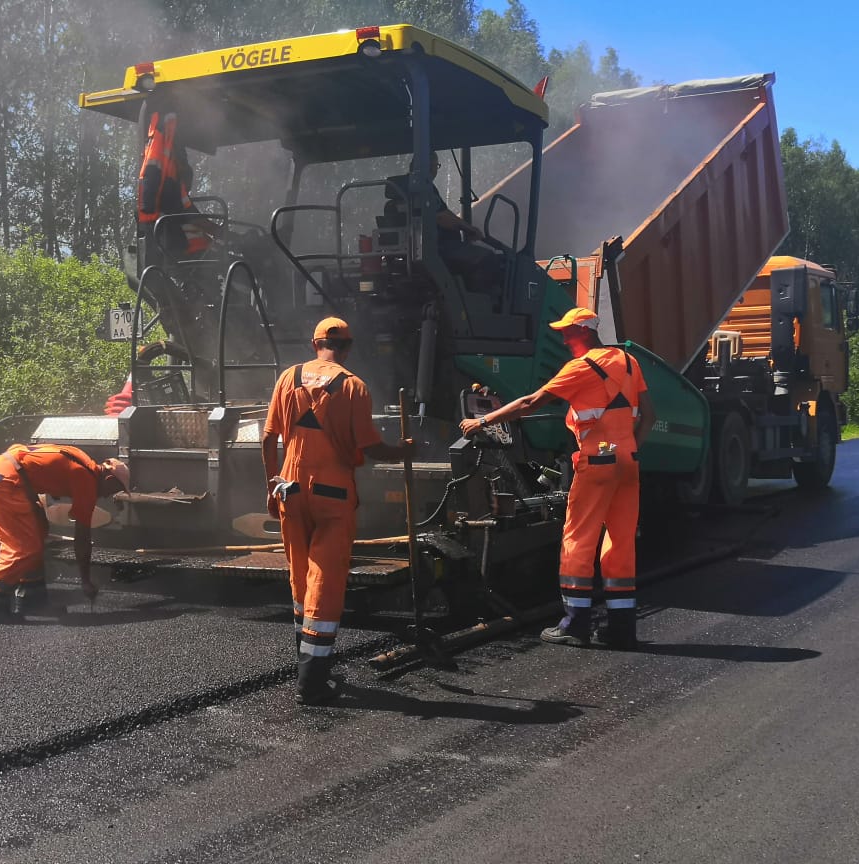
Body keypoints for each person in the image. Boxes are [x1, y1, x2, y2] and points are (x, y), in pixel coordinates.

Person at [459, 307, 656, 649]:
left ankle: (575, 623)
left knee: (578, 538)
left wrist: (483, 421)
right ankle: (622, 628)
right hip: (628, 460)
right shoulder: (628, 362)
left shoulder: (580, 368)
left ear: (583, 331)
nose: (562, 338)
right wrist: (627, 449)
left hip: (597, 461)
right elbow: (649, 416)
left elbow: (532, 402)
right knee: (620, 541)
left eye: (567, 331)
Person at [262, 317, 412, 705]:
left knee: (299, 577)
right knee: (325, 579)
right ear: (347, 347)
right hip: (332, 493)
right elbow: (372, 447)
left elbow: (268, 437)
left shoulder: (288, 377)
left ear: (315, 344)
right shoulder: (353, 387)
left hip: (289, 488)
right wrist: (404, 451)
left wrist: (271, 483)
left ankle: (305, 659)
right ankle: (311, 681)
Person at [0, 444, 129, 622]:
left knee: (39, 531)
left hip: (3, 472)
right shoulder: (86, 479)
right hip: (7, 481)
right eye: (113, 490)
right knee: (24, 548)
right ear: (109, 478)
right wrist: (86, 581)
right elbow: (82, 538)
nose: (108, 496)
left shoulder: (83, 461)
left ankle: (32, 598)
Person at [386, 152, 504, 296]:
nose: (436, 170)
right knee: (487, 258)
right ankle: (479, 305)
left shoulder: (400, 193)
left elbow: (442, 212)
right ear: (429, 167)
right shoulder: (422, 187)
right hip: (436, 248)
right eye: (436, 166)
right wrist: (470, 229)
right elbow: (442, 217)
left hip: (413, 250)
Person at [138, 109, 217, 258]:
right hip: (190, 256)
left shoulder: (163, 190)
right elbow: (196, 219)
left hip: (182, 253)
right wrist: (223, 232)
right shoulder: (175, 190)